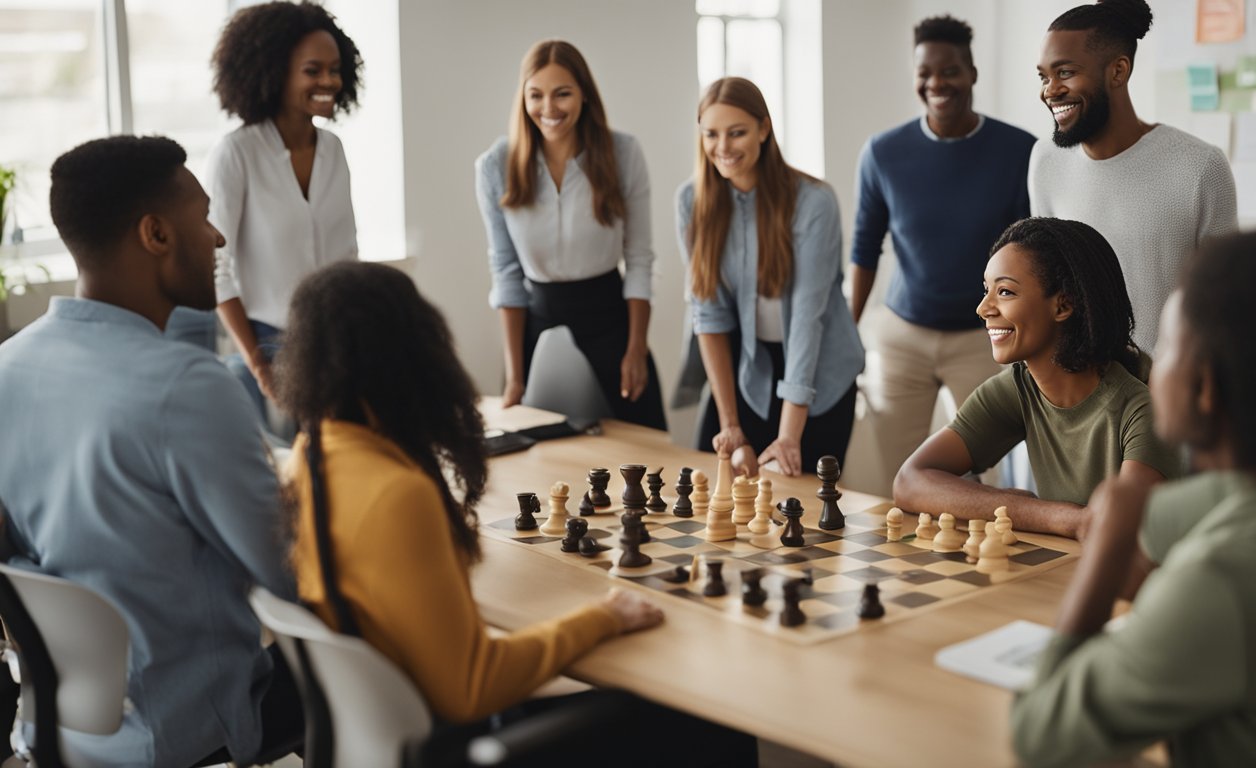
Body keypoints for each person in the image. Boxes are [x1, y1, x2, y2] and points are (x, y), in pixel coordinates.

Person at [276, 261, 756, 765]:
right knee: (711, 711)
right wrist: (601, 617)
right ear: (408, 355)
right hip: (464, 745)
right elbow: (474, 687)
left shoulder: (308, 456)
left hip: (396, 732)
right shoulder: (397, 494)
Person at [0, 136, 300, 767]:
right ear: (156, 235)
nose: (218, 239)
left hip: (66, 727)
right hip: (189, 728)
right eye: (204, 217)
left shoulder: (7, 366)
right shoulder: (187, 386)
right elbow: (289, 572)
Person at [1011, 228, 1256, 767]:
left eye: (1167, 349)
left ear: (1204, 388)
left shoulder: (1219, 587)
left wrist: (1101, 558)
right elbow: (1179, 513)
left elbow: (1043, 738)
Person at [892, 218, 1180, 538]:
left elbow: (1120, 533)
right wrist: (1042, 513)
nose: (983, 308)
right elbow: (909, 481)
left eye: (1005, 292)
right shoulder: (1018, 387)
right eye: (987, 291)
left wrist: (1047, 516)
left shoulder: (1142, 407)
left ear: (1064, 304)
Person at [849, 14, 1035, 476]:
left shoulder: (1019, 151)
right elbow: (864, 248)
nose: (937, 82)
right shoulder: (882, 153)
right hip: (902, 338)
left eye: (949, 70)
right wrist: (846, 334)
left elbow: (1033, 256)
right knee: (903, 474)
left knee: (986, 476)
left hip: (986, 336)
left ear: (972, 73)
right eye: (924, 73)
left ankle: (979, 553)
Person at [677, 77, 863, 477]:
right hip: (744, 367)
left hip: (819, 374)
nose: (722, 147)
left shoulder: (814, 202)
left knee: (801, 516)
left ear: (764, 129)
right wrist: (731, 427)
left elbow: (805, 323)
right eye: (711, 134)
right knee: (712, 495)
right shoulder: (691, 203)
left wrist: (788, 437)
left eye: (737, 132)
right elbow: (707, 316)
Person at [476, 40, 666, 430]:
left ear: (584, 94)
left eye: (562, 93)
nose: (549, 109)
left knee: (642, 464)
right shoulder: (496, 165)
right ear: (523, 99)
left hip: (613, 324)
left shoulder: (624, 153)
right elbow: (506, 272)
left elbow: (640, 258)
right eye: (536, 95)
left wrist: (635, 350)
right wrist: (515, 375)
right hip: (536, 326)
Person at [1030, 0, 1236, 354]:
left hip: (1163, 388)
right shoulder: (1046, 160)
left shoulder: (1201, 166)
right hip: (1075, 386)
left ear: (1118, 71)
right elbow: (1044, 280)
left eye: (1065, 72)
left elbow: (1225, 302)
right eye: (1044, 76)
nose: (1050, 90)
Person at [208, 0, 363, 427]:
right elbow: (216, 267)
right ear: (275, 72)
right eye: (313, 70)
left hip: (338, 337)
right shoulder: (237, 154)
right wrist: (257, 364)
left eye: (334, 69)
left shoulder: (333, 150)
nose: (329, 81)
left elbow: (347, 254)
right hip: (271, 341)